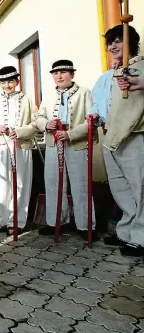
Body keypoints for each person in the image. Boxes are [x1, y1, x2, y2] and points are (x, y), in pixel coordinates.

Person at [91, 24, 144, 256]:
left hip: (134, 135)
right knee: (120, 187)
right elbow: (99, 104)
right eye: (110, 42)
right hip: (110, 136)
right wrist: (94, 114)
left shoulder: (141, 66)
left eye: (118, 40)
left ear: (131, 43)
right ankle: (127, 233)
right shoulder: (106, 76)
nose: (113, 46)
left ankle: (141, 238)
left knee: (139, 187)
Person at [36, 60, 96, 241]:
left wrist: (70, 134)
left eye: (63, 72)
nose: (59, 76)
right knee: (53, 182)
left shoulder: (85, 93)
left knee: (81, 183)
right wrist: (46, 124)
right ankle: (56, 222)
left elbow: (92, 121)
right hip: (54, 143)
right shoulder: (47, 96)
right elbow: (38, 117)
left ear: (72, 74)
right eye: (55, 73)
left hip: (76, 143)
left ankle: (86, 226)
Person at [0, 66, 38, 235]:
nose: (7, 85)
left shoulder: (27, 100)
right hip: (0, 147)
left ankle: (17, 222)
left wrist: (20, 132)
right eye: (4, 82)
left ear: (17, 81)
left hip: (21, 146)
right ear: (0, 83)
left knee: (20, 184)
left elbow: (36, 123)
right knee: (0, 185)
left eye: (11, 81)